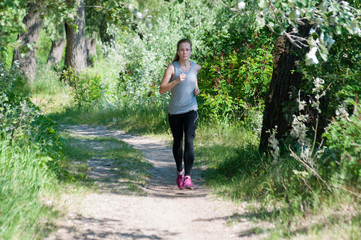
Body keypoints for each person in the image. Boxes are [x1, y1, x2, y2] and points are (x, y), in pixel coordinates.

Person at [159, 38, 201, 190]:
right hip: (175, 111)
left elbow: (195, 86)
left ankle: (188, 177)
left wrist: (197, 90)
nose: (185, 52)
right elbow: (161, 89)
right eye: (182, 49)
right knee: (178, 142)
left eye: (187, 49)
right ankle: (179, 172)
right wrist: (176, 81)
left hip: (191, 109)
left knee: (189, 141)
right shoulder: (172, 68)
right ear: (178, 51)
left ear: (191, 51)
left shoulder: (195, 67)